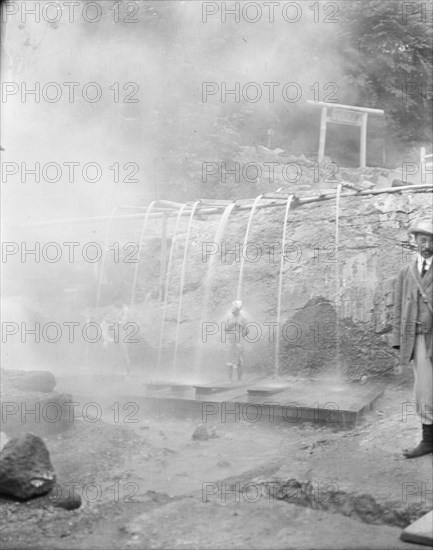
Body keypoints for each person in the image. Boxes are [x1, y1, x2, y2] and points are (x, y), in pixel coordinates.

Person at [392, 219, 433, 458]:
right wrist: (399, 339)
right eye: (423, 240)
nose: (427, 246)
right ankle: (428, 441)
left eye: (431, 241)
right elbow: (398, 307)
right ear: (415, 242)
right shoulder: (406, 272)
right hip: (419, 339)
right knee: (424, 390)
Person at [224, 300, 249, 381]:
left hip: (239, 343)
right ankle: (229, 379)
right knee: (229, 361)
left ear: (238, 309)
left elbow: (247, 331)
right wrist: (233, 324)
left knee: (239, 361)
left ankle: (239, 380)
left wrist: (241, 334)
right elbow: (225, 329)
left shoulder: (243, 317)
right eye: (232, 308)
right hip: (230, 343)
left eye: (235, 309)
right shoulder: (228, 316)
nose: (233, 310)